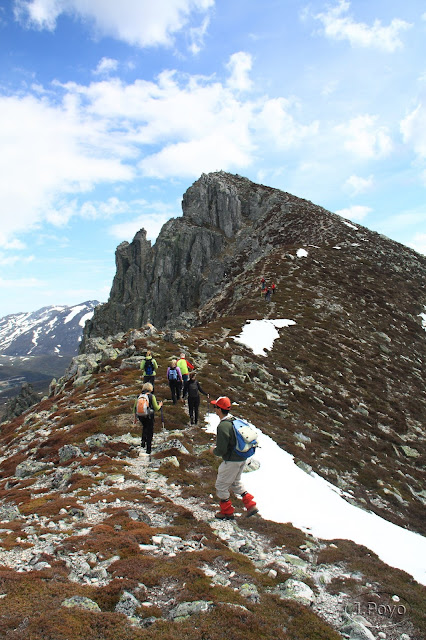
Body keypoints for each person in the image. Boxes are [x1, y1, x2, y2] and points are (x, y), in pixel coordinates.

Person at [210, 396, 259, 520]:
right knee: (235, 483)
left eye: (215, 406)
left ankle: (227, 512)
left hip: (231, 461)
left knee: (221, 486)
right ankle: (250, 505)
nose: (214, 409)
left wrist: (213, 451)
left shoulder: (222, 427)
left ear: (219, 410)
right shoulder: (235, 420)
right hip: (242, 457)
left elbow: (221, 450)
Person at [133, 382, 163, 457]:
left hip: (140, 415)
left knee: (144, 427)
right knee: (150, 430)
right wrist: (160, 405)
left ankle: (143, 442)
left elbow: (134, 408)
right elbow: (156, 408)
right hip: (149, 416)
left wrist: (135, 418)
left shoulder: (138, 396)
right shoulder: (151, 396)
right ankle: (148, 449)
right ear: (151, 389)